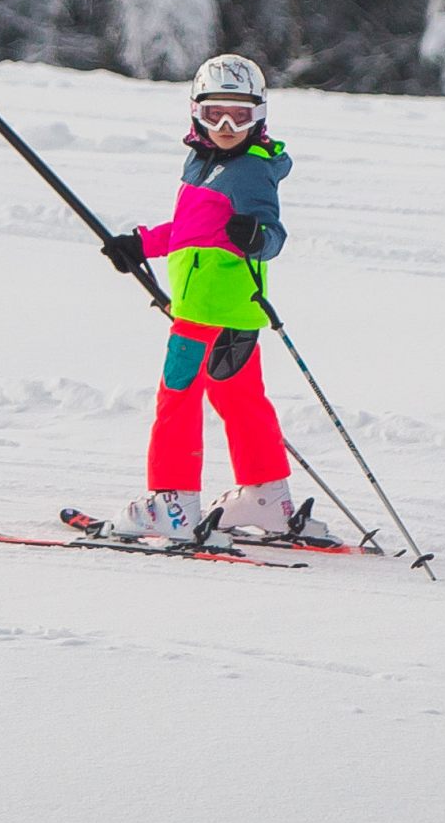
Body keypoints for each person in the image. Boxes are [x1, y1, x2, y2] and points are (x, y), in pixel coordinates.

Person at [100, 53, 317, 541]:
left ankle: (172, 503)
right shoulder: (204, 165)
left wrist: (253, 236)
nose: (225, 125)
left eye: (239, 115)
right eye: (214, 112)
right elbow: (190, 233)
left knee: (177, 398)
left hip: (205, 312)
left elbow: (273, 237)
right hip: (232, 311)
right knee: (241, 401)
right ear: (195, 112)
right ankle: (265, 497)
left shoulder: (250, 172)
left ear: (259, 116)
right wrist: (140, 245)